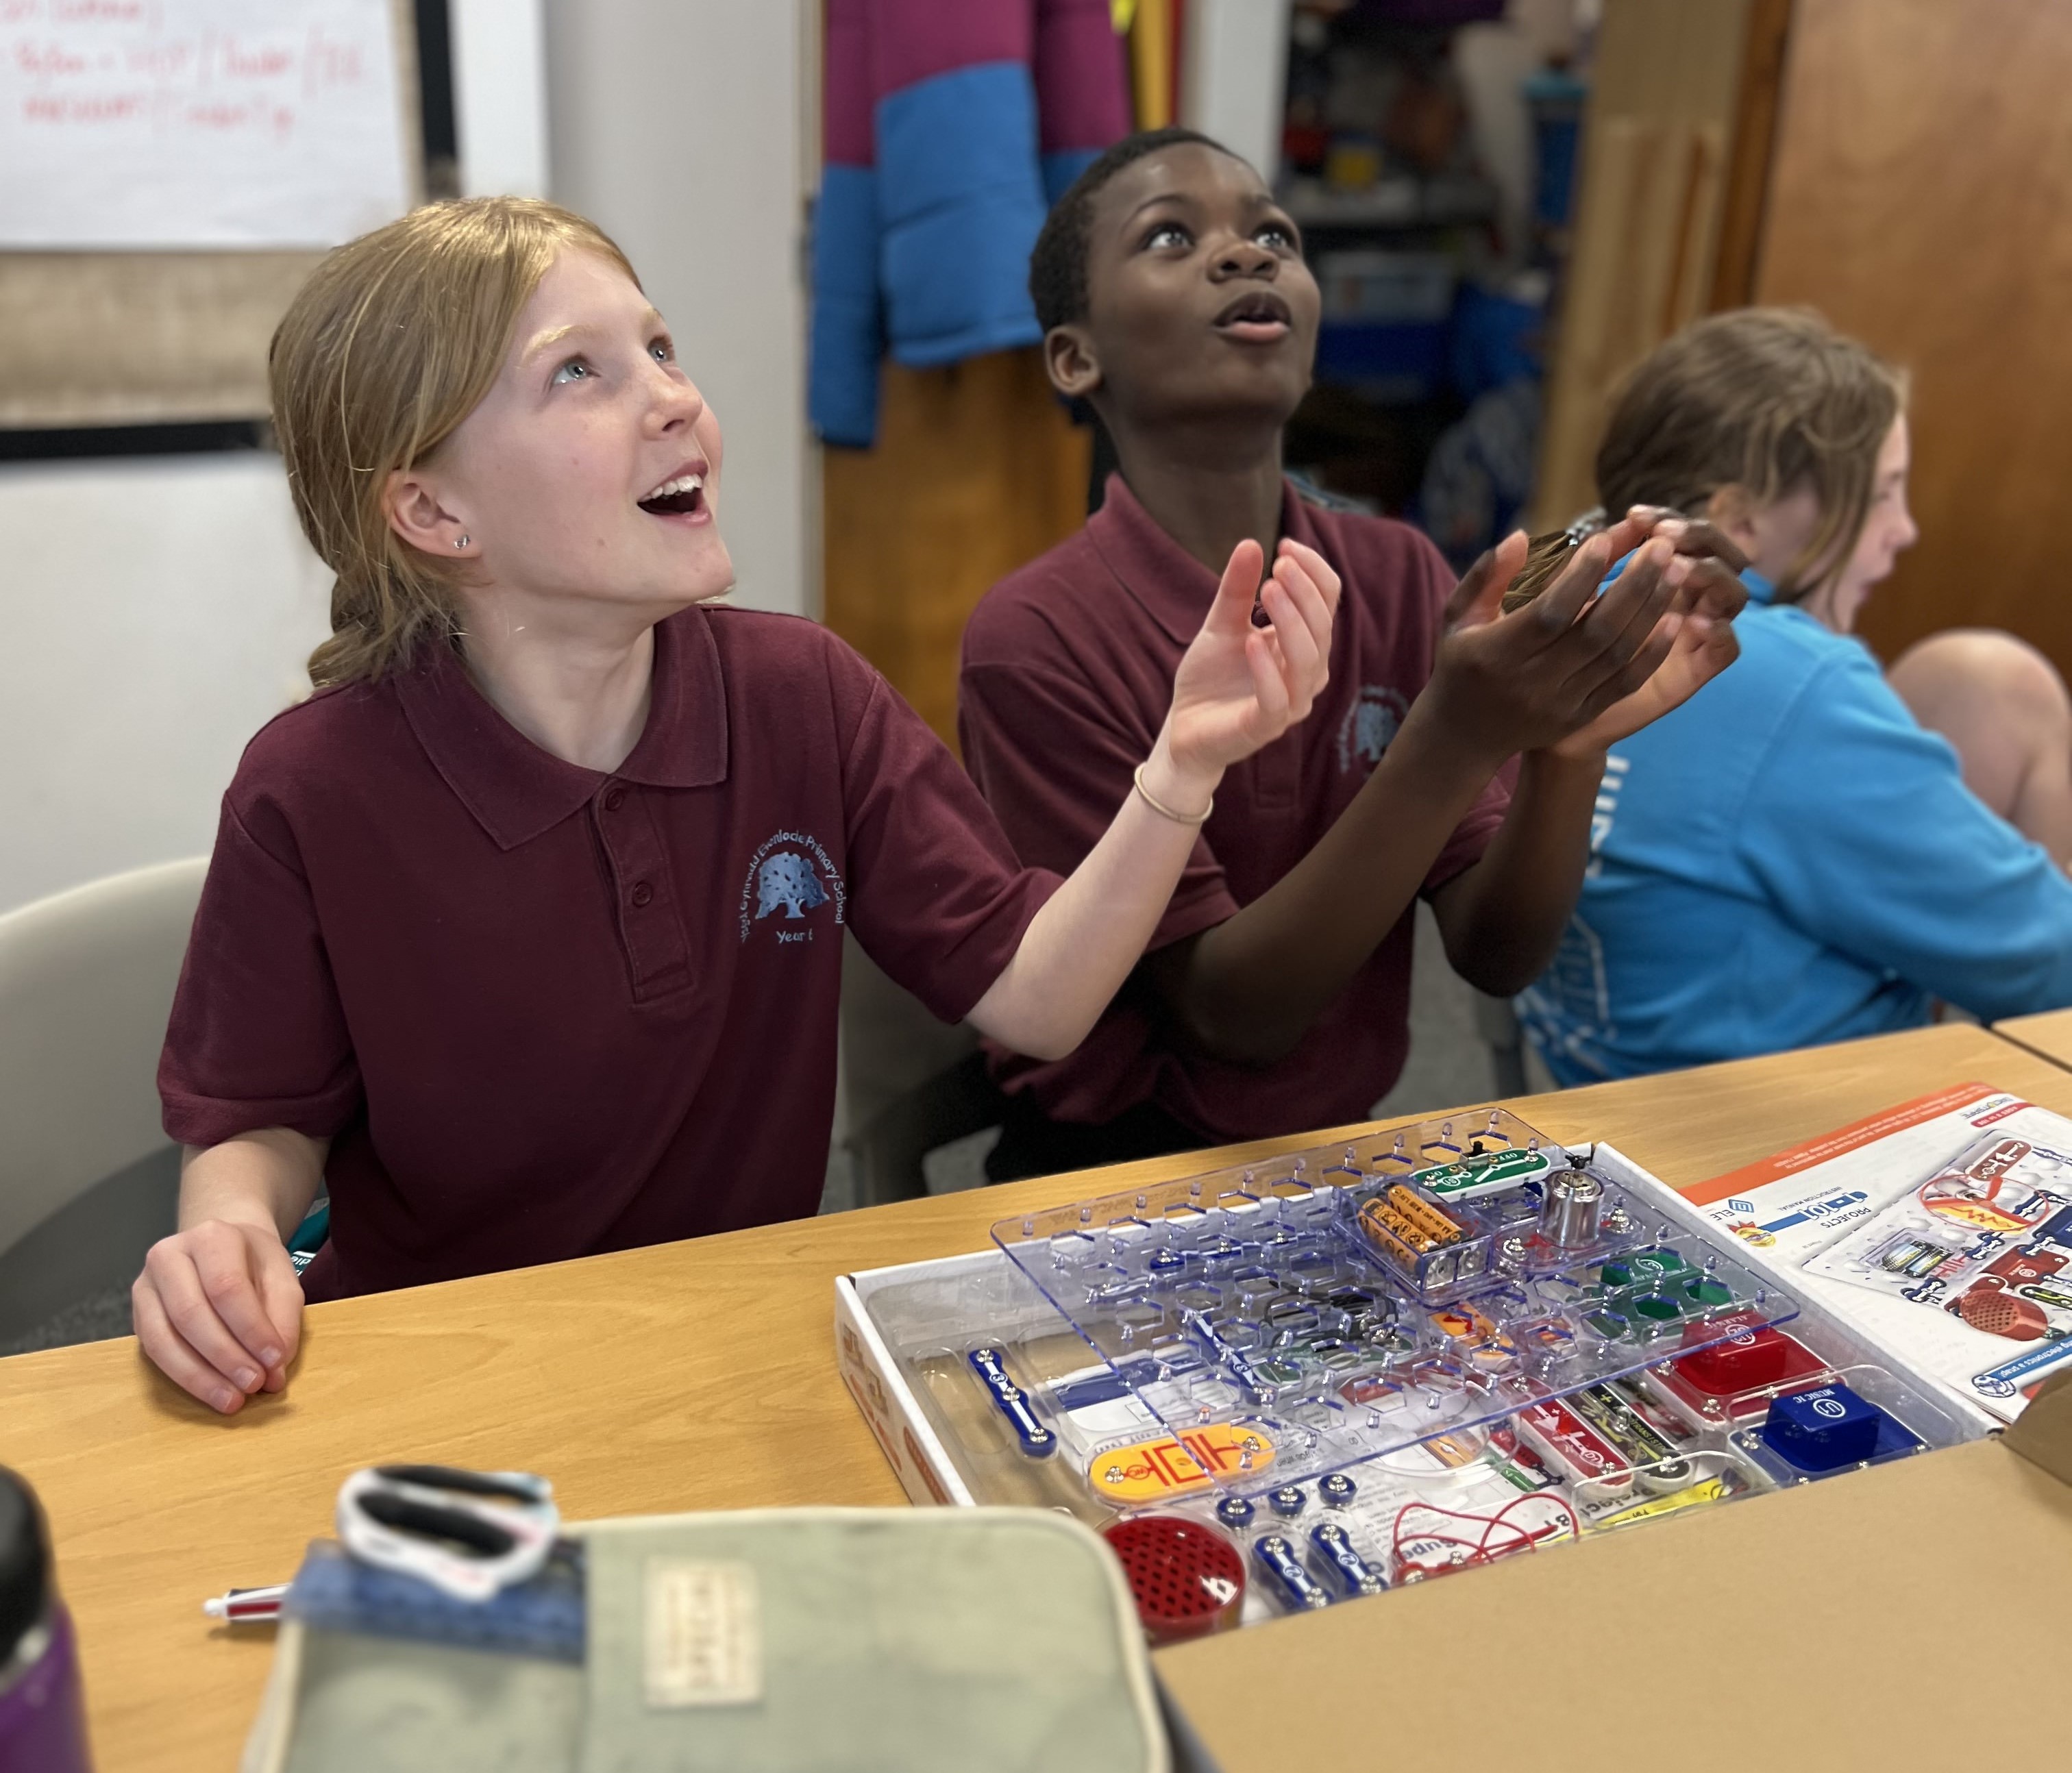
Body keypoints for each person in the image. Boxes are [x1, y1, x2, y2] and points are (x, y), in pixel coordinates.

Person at [133, 197, 1342, 1413]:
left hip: (729, 1353)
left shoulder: (801, 692)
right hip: (439, 1373)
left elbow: (1037, 997)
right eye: (578, 374)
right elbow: (259, 1121)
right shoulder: (311, 784)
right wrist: (225, 1229)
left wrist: (1177, 771)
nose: (672, 398)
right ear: (436, 514)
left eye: (658, 349)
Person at [957, 128, 1745, 1180]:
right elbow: (1233, 1019)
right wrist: (1452, 735)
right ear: (1076, 354)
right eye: (1172, 237)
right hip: (1109, 1181)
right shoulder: (1037, 637)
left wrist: (1565, 737)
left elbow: (1497, 953)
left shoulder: (1396, 569)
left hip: (1348, 1167)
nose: (1246, 256)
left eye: (1272, 233)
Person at [1517, 308, 2072, 1084]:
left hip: (1591, 1074)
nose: (1904, 530)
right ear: (1740, 517)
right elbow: (2050, 961)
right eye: (1880, 495)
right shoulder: (1783, 682)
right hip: (1792, 1144)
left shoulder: (1553, 607)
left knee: (1984, 681)